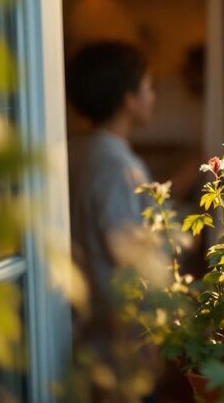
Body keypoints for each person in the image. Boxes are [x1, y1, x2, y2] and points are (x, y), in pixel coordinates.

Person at [66, 41, 159, 355]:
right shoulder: (115, 165)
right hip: (117, 340)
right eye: (148, 87)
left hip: (85, 325)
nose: (153, 97)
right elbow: (128, 252)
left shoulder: (77, 149)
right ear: (128, 100)